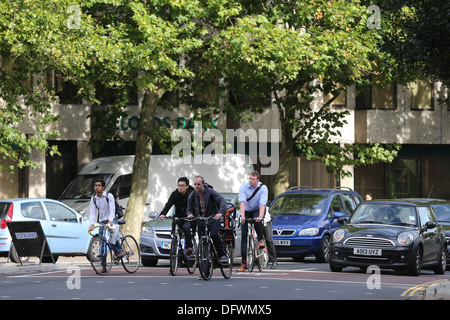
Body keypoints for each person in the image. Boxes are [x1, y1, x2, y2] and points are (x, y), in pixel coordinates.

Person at [187, 176, 228, 263]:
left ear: (203, 184)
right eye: (195, 184)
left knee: (214, 235)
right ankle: (204, 264)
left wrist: (220, 212)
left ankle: (222, 255)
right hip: (201, 220)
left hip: (213, 218)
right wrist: (190, 214)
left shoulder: (210, 192)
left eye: (198, 184)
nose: (196, 186)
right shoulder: (192, 195)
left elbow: (222, 201)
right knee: (202, 240)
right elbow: (189, 208)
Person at [88, 178, 124, 273]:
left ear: (103, 187)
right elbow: (92, 212)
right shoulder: (93, 199)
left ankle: (119, 250)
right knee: (102, 243)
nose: (97, 187)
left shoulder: (109, 196)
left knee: (111, 238)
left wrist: (110, 220)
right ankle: (103, 266)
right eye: (95, 185)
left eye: (99, 185)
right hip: (102, 222)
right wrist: (92, 224)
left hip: (112, 219)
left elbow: (112, 208)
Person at [237, 171, 268, 272]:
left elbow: (262, 204)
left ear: (257, 180)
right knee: (244, 236)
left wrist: (260, 216)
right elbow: (242, 203)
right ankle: (244, 263)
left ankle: (261, 240)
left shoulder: (263, 188)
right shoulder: (243, 187)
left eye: (253, 179)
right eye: (250, 178)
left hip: (257, 209)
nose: (250, 181)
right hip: (246, 210)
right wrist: (242, 216)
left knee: (258, 221)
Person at [159, 177, 195, 254]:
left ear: (187, 186)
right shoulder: (174, 194)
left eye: (182, 185)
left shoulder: (192, 194)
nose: (180, 187)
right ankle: (176, 249)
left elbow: (196, 206)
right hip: (178, 216)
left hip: (189, 217)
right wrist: (163, 214)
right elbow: (168, 205)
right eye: (179, 185)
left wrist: (192, 214)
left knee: (186, 227)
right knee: (174, 231)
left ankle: (189, 247)